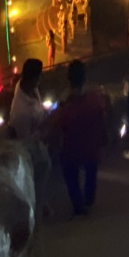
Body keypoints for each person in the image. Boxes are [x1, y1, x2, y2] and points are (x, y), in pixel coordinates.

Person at [52, 60, 108, 215]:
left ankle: (78, 205)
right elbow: (102, 122)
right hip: (91, 148)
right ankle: (89, 198)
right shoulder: (95, 100)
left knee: (68, 170)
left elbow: (56, 126)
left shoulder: (65, 106)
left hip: (72, 150)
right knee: (91, 169)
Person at [9, 58, 45, 139]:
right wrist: (46, 128)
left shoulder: (28, 86)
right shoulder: (21, 114)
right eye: (40, 76)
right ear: (33, 80)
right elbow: (26, 142)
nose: (41, 78)